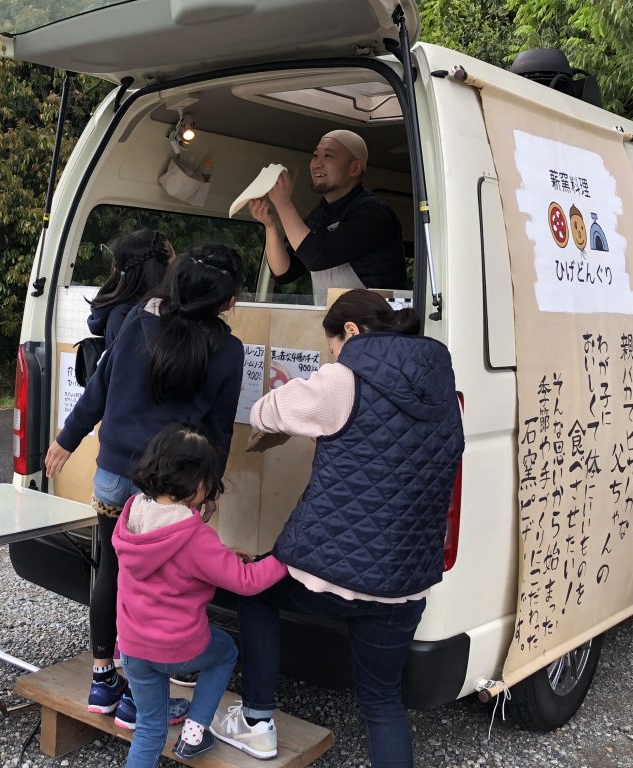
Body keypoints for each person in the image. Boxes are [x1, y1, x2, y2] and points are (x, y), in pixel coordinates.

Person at [212, 289, 464, 766]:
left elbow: (265, 411)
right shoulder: (441, 387)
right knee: (381, 702)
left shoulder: (341, 379)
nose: (332, 355)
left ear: (350, 332)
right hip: (404, 581)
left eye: (332, 345)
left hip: (331, 572)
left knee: (255, 591)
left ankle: (257, 719)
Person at [45, 242, 247, 730]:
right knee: (162, 586)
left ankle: (103, 678)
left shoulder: (138, 319)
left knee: (111, 571)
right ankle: (139, 696)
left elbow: (100, 387)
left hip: (114, 473)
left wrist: (66, 439)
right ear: (228, 301)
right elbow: (219, 430)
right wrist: (209, 488)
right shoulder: (228, 350)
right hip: (174, 487)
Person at [114, 423, 288, 766]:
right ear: (198, 484)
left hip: (132, 645)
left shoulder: (133, 510)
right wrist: (286, 559)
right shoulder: (194, 537)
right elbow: (246, 581)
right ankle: (196, 731)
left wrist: (221, 555)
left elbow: (169, 553)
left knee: (149, 727)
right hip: (177, 647)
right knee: (225, 652)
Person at [248, 130, 406, 305]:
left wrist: (284, 204)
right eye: (315, 156)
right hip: (338, 323)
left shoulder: (374, 214)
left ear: (354, 168)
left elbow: (319, 257)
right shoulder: (319, 216)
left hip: (382, 324)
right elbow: (284, 274)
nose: (317, 164)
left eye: (328, 156)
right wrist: (271, 227)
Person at [87, 229, 175, 347]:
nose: (177, 262)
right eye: (172, 255)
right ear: (156, 268)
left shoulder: (156, 308)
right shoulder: (124, 316)